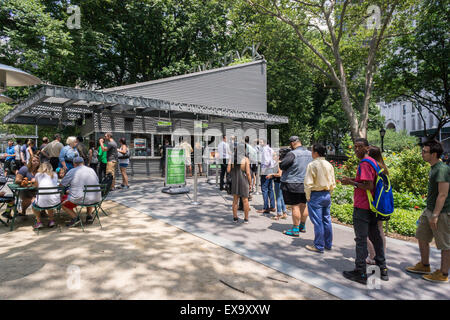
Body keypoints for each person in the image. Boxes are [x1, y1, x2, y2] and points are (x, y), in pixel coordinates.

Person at [341, 138, 388, 285]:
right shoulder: (374, 162)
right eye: (354, 147)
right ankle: (383, 269)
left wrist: (350, 183)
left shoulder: (365, 163)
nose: (356, 150)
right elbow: (367, 182)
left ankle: (360, 272)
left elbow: (368, 185)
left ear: (367, 148)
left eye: (360, 147)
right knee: (376, 238)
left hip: (363, 207)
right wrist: (353, 179)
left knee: (361, 240)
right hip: (373, 207)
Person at [406, 140, 449, 283]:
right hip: (430, 209)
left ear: (434, 154)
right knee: (422, 236)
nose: (422, 154)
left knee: (445, 244)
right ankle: (425, 265)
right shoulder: (434, 167)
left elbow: (443, 194)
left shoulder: (442, 169)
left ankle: (443, 273)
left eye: (425, 151)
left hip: (442, 212)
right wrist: (428, 211)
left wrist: (435, 215)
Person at [304, 143, 336, 253]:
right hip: (326, 193)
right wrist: (329, 193)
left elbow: (308, 183)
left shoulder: (312, 165)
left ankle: (319, 245)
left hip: (316, 194)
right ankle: (328, 243)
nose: (311, 153)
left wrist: (308, 196)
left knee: (318, 221)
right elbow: (333, 182)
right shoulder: (328, 164)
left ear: (316, 153)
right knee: (327, 219)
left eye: (312, 151)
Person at [280, 136, 312, 237]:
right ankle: (302, 226)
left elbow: (282, 166)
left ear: (293, 143)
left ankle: (295, 229)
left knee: (295, 206)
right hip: (306, 183)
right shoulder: (310, 153)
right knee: (303, 204)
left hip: (293, 183)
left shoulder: (292, 154)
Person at [61, 156, 102, 227]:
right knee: (88, 194)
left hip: (80, 198)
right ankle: (89, 215)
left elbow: (62, 184)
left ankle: (75, 218)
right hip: (96, 198)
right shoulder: (91, 170)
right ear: (83, 163)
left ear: (74, 164)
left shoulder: (72, 171)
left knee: (63, 204)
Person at [366, 146, 389, 265]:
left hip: (372, 203)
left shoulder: (372, 166)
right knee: (379, 230)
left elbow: (369, 185)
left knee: (367, 231)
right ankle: (382, 254)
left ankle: (373, 255)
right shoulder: (383, 167)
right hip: (382, 203)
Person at [227, 143, 252, 223]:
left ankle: (235, 218)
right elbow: (248, 173)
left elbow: (228, 170)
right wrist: (250, 183)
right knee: (245, 200)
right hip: (244, 181)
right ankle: (246, 219)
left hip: (235, 181)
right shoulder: (246, 159)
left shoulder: (232, 159)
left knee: (235, 200)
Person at [31, 162, 59, 229]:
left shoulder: (38, 175)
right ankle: (51, 221)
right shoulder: (55, 174)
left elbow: (36, 186)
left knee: (33, 201)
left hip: (43, 201)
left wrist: (33, 182)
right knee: (49, 203)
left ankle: (39, 222)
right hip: (55, 201)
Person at [266, 151, 287, 220]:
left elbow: (279, 174)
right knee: (282, 198)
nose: (273, 157)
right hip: (281, 181)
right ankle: (284, 213)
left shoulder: (279, 163)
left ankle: (279, 214)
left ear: (278, 156)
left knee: (278, 198)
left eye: (274, 155)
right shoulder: (281, 163)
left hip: (278, 182)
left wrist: (271, 175)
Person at [257, 139, 276, 214]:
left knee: (264, 189)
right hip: (271, 169)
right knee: (270, 188)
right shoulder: (271, 149)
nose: (260, 143)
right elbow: (273, 160)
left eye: (261, 142)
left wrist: (263, 171)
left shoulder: (264, 150)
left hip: (266, 170)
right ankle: (272, 206)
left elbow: (266, 161)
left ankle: (266, 207)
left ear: (264, 143)